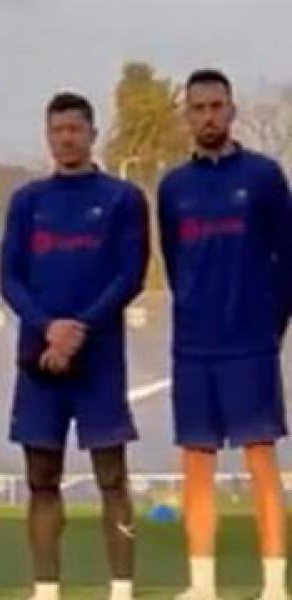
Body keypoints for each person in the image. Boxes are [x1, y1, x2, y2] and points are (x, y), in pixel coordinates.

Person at [0, 92, 149, 600]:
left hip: (99, 360)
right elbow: (10, 279)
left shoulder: (122, 199)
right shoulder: (27, 201)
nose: (66, 138)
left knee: (111, 476)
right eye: (57, 130)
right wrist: (49, 329)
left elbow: (129, 274)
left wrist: (81, 327)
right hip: (40, 359)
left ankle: (122, 588)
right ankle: (46, 589)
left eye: (74, 129)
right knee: (42, 477)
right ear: (48, 136)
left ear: (92, 133)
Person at [158, 69, 292, 600]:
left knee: (261, 460)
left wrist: (269, 322)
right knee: (196, 463)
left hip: (251, 343)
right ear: (187, 116)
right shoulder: (173, 187)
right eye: (199, 108)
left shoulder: (263, 176)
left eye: (217, 106)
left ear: (232, 111)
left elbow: (288, 256)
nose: (208, 116)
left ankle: (275, 584)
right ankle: (202, 584)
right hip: (195, 346)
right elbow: (174, 259)